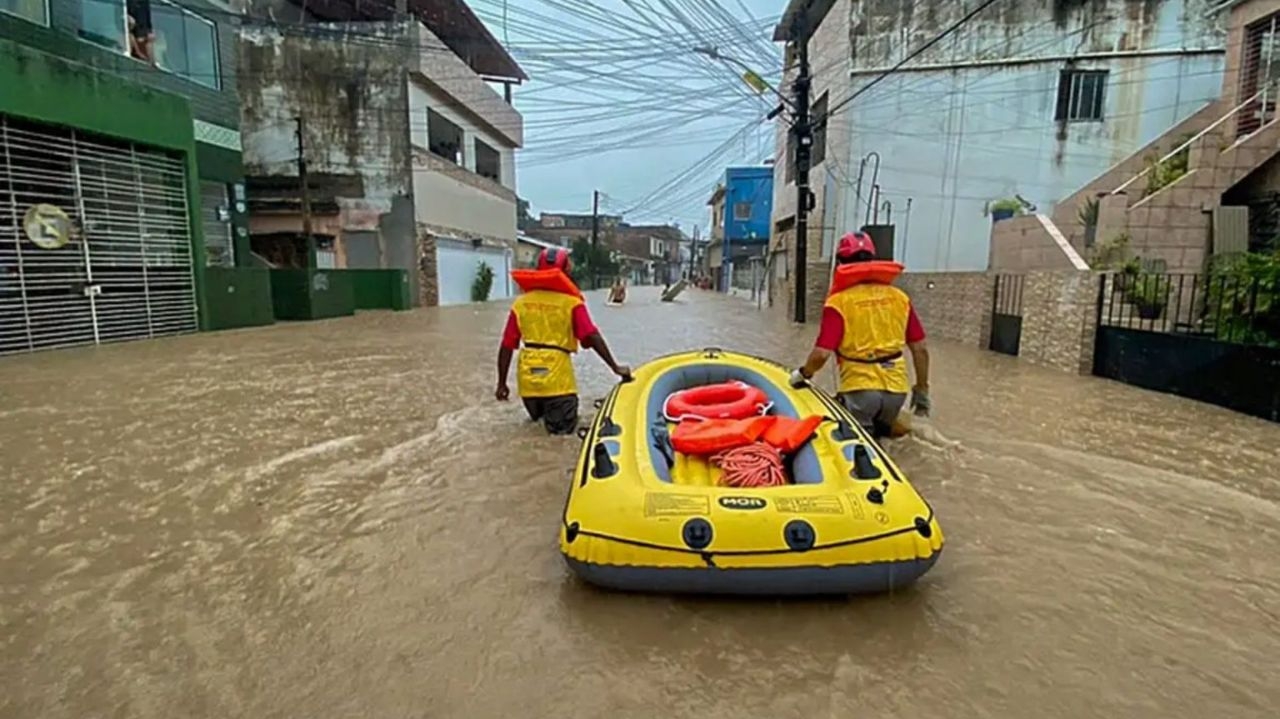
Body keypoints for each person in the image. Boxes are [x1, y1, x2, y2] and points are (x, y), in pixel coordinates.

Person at [789, 231, 931, 438]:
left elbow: (821, 355)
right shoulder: (900, 298)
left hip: (860, 391)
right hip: (897, 391)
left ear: (840, 262)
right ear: (872, 259)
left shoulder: (839, 302)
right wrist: (922, 389)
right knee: (885, 440)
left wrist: (804, 374)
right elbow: (921, 349)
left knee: (859, 446)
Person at [496, 248, 631, 435]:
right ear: (566, 272)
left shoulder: (520, 304)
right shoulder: (571, 303)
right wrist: (615, 367)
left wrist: (502, 383)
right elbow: (591, 336)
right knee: (560, 438)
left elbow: (507, 345)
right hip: (557, 380)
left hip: (528, 382)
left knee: (537, 434)